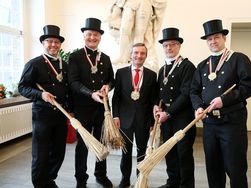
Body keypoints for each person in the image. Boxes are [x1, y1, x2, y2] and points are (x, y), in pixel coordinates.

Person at [190, 19, 251, 188]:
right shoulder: (203, 65)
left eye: (216, 37)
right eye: (209, 39)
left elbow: (249, 86)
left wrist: (223, 100)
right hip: (210, 124)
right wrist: (198, 107)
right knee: (213, 167)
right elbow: (194, 91)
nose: (213, 41)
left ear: (224, 38)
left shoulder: (238, 59)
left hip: (232, 123)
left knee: (235, 167)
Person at [18, 25, 70, 188]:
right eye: (50, 41)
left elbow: (69, 89)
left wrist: (71, 110)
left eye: (56, 42)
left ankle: (49, 179)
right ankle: (40, 184)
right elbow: (23, 87)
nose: (53, 45)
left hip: (61, 116)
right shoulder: (34, 64)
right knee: (41, 154)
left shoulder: (65, 65)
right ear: (43, 43)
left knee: (58, 152)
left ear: (60, 44)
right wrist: (41, 95)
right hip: (42, 116)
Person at [68, 18, 115, 188]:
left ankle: (101, 175)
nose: (92, 37)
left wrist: (107, 86)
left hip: (102, 109)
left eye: (96, 34)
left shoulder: (106, 58)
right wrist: (90, 93)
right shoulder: (75, 57)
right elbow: (73, 82)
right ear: (84, 36)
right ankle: (81, 179)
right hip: (82, 108)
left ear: (100, 37)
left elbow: (112, 80)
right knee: (83, 145)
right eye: (89, 34)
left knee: (101, 142)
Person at [153, 28, 196, 188]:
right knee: (169, 151)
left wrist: (168, 113)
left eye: (172, 45)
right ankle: (173, 182)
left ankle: (186, 185)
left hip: (182, 117)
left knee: (183, 153)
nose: (169, 48)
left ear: (179, 46)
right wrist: (156, 106)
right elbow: (159, 93)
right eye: (165, 45)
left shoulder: (187, 66)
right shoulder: (162, 69)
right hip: (166, 117)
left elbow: (185, 95)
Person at [112, 43, 157, 188]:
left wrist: (151, 122)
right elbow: (116, 97)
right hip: (124, 119)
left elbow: (153, 100)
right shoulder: (121, 73)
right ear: (131, 54)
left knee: (142, 152)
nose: (139, 56)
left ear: (146, 55)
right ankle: (125, 179)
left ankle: (140, 179)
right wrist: (116, 116)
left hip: (143, 120)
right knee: (126, 152)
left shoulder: (151, 75)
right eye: (136, 53)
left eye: (142, 53)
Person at [106, 0, 167, 72]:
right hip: (129, 3)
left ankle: (137, 58)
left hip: (144, 3)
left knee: (140, 31)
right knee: (124, 29)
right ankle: (123, 56)